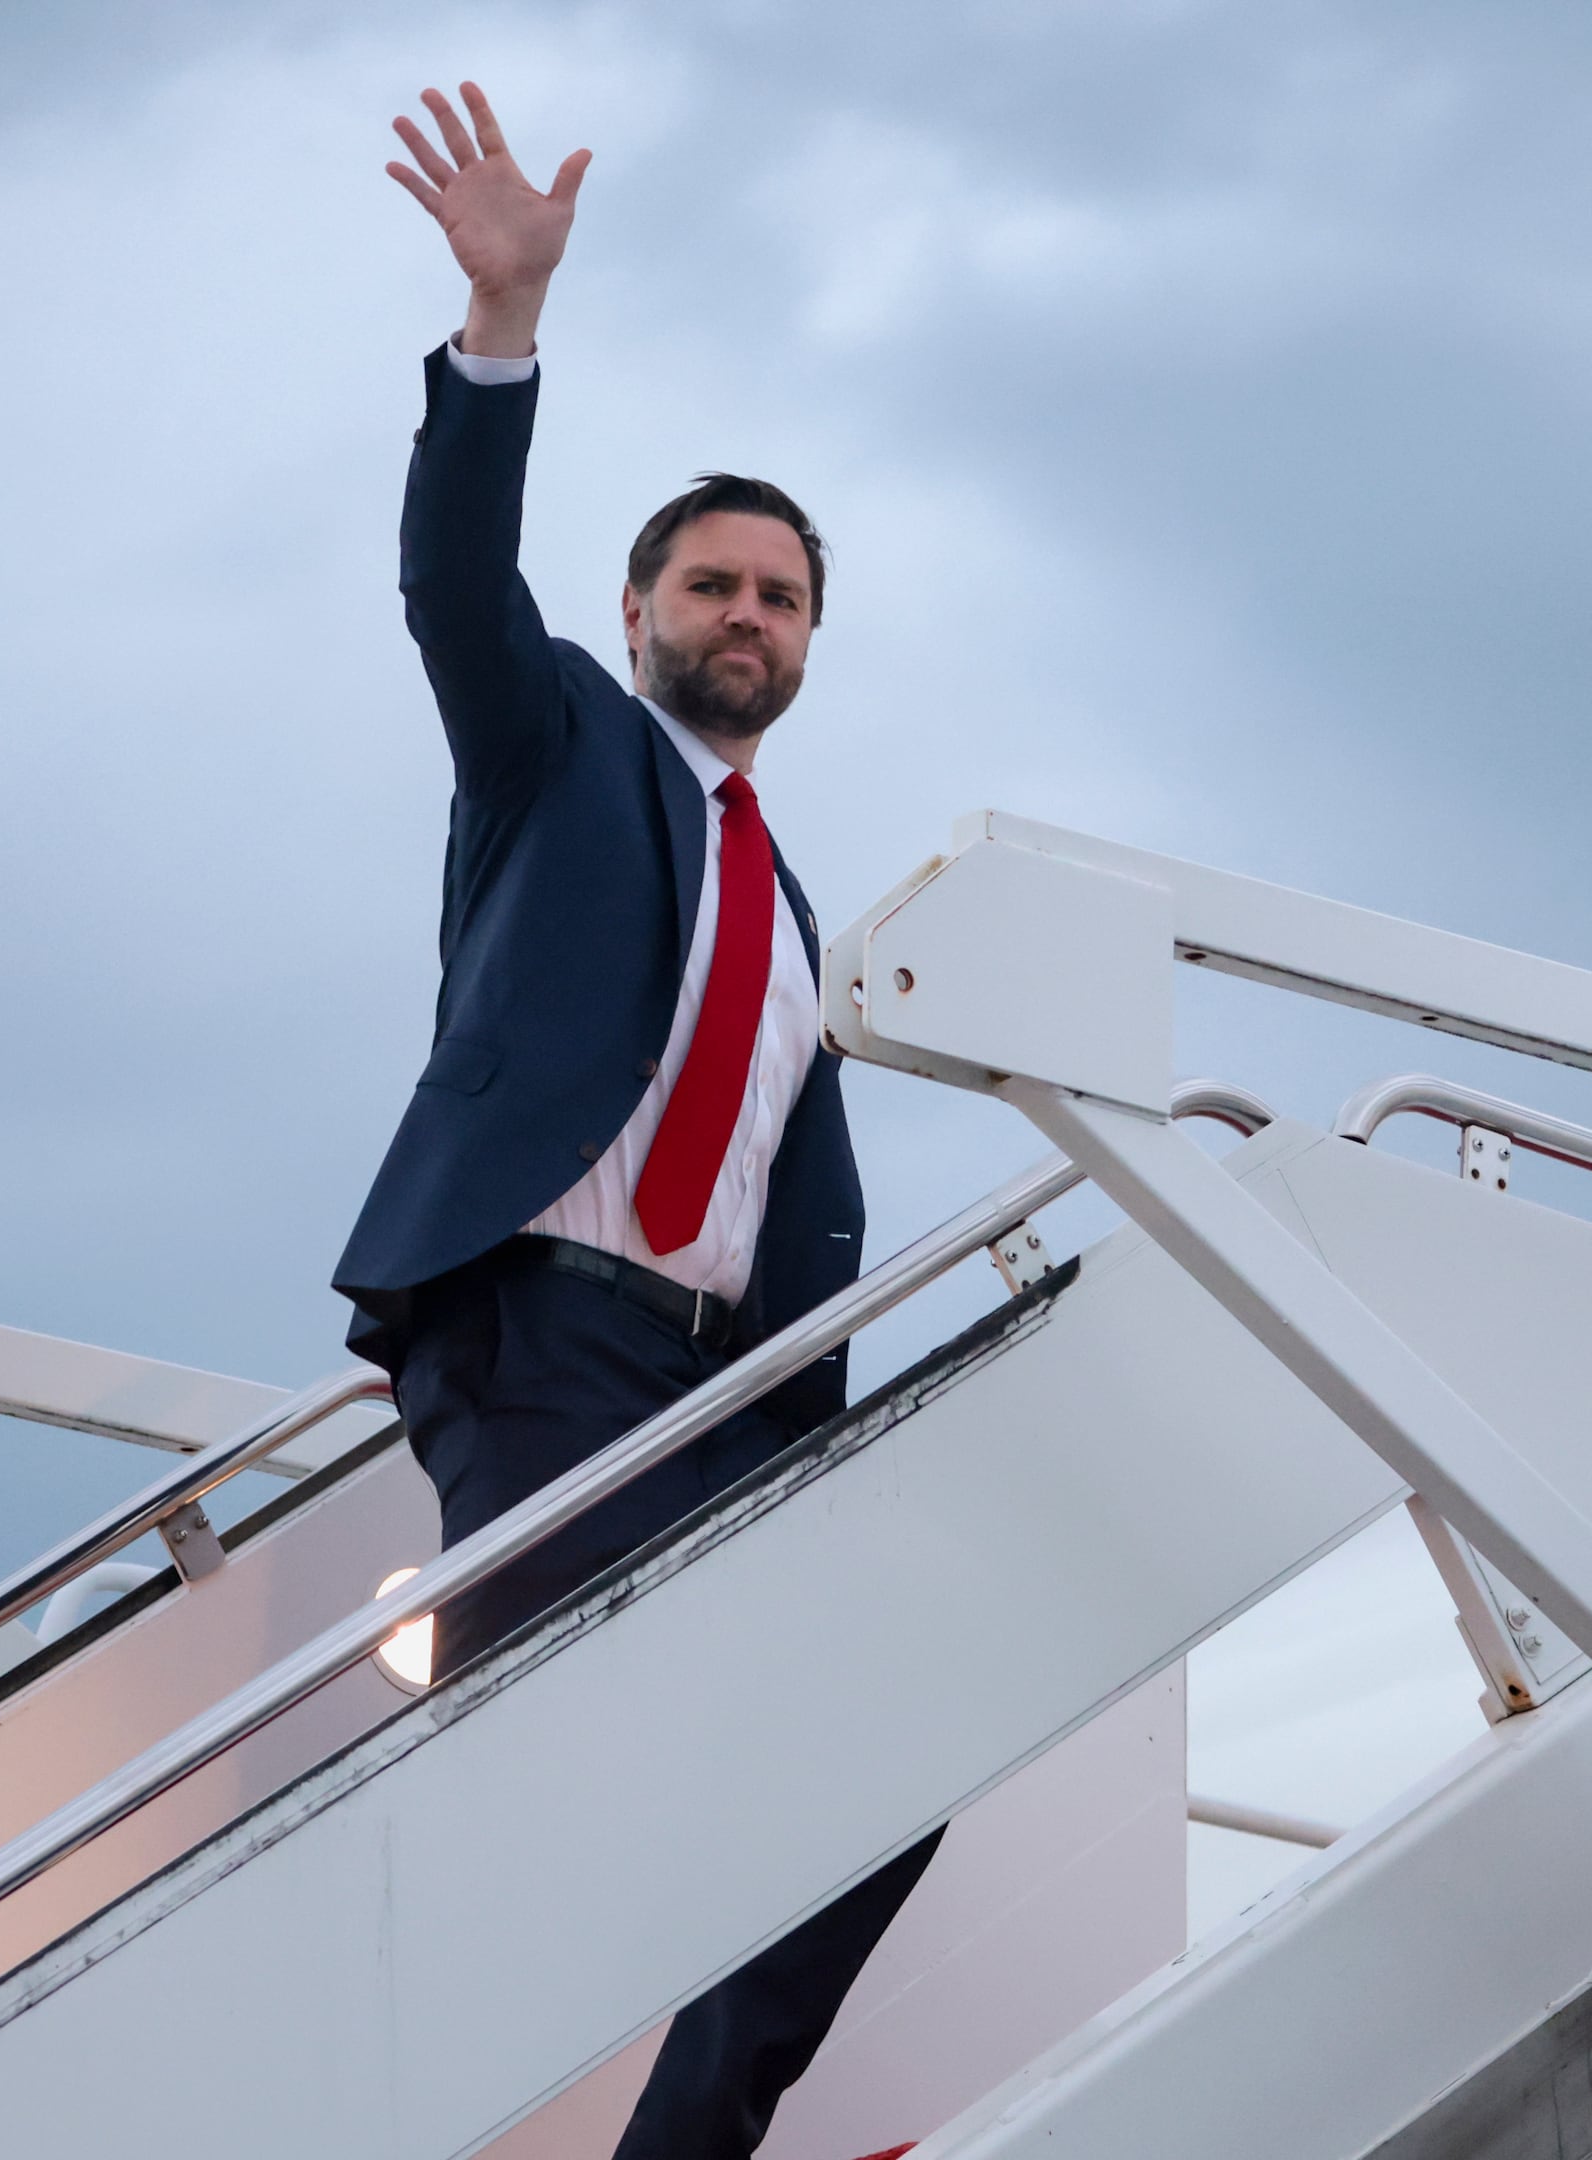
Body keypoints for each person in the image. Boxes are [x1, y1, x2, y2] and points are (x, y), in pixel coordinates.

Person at [334, 80, 938, 2157]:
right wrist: (499, 328)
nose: (746, 616)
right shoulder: (555, 749)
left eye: (780, 596)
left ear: (811, 643)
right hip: (546, 1343)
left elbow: (795, 1183)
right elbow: (449, 580)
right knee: (541, 1777)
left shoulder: (801, 916)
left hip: (727, 1389)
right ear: (640, 612)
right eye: (712, 585)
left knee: (894, 1756)